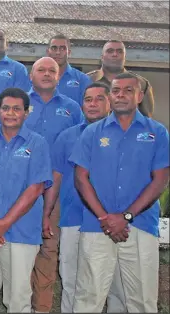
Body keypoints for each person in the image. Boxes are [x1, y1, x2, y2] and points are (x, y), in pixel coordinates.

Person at [71, 72, 169, 313]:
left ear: (139, 96)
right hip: (97, 226)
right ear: (110, 96)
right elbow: (81, 179)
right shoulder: (92, 133)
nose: (121, 95)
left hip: (141, 226)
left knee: (141, 301)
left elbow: (161, 179)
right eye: (116, 91)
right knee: (88, 298)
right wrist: (106, 218)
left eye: (128, 90)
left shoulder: (157, 132)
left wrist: (125, 216)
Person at [0, 87, 52, 313]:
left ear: (26, 113)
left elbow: (35, 188)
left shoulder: (37, 144)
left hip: (21, 232)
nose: (11, 113)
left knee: (18, 297)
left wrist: (4, 223)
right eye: (6, 108)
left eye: (17, 109)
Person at [44, 82, 111, 312]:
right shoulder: (67, 137)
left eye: (99, 99)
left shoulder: (120, 135)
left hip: (108, 221)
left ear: (110, 102)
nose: (93, 104)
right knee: (70, 279)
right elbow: (57, 177)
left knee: (104, 285)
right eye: (88, 99)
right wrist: (47, 213)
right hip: (73, 218)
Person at [25, 56, 84, 313]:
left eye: (52, 70)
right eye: (41, 69)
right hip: (20, 189)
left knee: (48, 251)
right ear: (31, 75)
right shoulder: (18, 104)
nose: (47, 74)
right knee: (20, 250)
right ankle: (20, 304)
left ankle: (42, 308)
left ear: (59, 76)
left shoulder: (72, 108)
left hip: (57, 191)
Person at [46, 34, 92, 105]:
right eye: (54, 48)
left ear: (69, 52)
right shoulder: (37, 79)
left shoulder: (82, 80)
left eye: (62, 48)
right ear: (48, 52)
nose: (58, 52)